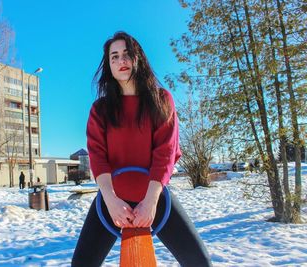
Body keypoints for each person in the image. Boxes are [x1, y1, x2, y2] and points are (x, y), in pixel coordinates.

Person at [72, 32, 212, 267]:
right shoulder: (100, 109)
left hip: (154, 199)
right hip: (113, 201)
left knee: (199, 261)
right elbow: (98, 158)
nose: (121, 61)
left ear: (138, 59)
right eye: (114, 57)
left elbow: (165, 153)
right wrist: (111, 200)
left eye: (126, 54)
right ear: (109, 66)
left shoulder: (161, 100)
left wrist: (150, 201)